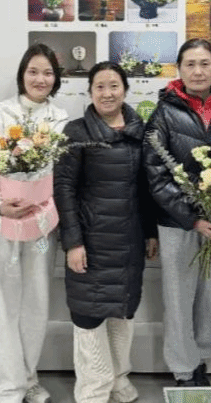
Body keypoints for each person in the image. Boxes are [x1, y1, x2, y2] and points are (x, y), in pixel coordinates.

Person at [142, 38, 211, 387]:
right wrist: (193, 219)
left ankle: (202, 359)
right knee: (178, 299)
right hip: (178, 224)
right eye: (190, 64)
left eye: (205, 63)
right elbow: (155, 174)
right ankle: (183, 369)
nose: (198, 71)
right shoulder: (163, 114)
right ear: (179, 70)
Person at [54, 62, 159, 403]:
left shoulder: (140, 132)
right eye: (100, 86)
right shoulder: (75, 132)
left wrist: (150, 233)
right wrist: (72, 243)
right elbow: (64, 190)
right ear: (90, 92)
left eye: (114, 85)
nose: (107, 93)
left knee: (123, 312)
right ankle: (93, 391)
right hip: (90, 242)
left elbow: (145, 190)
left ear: (125, 90)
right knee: (88, 316)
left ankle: (118, 380)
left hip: (128, 242)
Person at [0, 44, 69, 403]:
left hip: (41, 227)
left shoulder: (60, 118)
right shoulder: (1, 113)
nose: (40, 79)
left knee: (36, 305)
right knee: (2, 308)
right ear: (21, 75)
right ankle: (7, 389)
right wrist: (0, 205)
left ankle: (28, 378)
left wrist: (42, 207)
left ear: (56, 79)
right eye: (33, 71)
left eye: (47, 72)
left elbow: (61, 174)